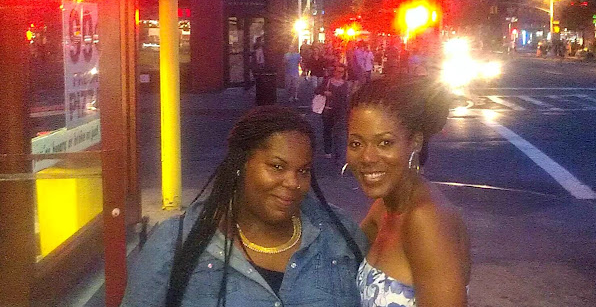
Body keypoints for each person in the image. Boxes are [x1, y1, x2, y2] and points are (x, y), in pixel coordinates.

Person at [121, 106, 366, 307]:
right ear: (241, 164)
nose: (293, 183)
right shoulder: (175, 244)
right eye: (277, 167)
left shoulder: (339, 235)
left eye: (303, 170)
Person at [346, 78, 469, 307]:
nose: (367, 157)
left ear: (415, 142)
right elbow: (339, 255)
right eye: (356, 144)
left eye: (385, 143)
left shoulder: (426, 220)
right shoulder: (384, 208)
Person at [320, 63, 350, 159]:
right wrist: (324, 92)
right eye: (338, 71)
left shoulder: (345, 84)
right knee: (327, 130)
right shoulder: (327, 81)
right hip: (328, 109)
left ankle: (338, 153)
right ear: (334, 72)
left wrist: (347, 111)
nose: (339, 74)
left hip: (340, 111)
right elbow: (317, 90)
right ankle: (328, 150)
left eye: (342, 72)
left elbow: (345, 99)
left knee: (338, 132)